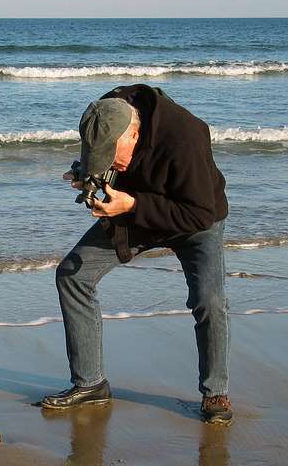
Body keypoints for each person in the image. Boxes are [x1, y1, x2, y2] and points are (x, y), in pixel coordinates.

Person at [41, 84, 232, 424]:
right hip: (135, 211)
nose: (111, 164)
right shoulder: (108, 111)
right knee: (72, 274)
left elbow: (199, 213)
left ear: (133, 134)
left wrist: (132, 204)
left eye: (112, 156)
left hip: (195, 218)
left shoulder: (186, 138)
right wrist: (88, 173)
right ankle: (91, 384)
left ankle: (215, 391)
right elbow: (102, 156)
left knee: (210, 300)